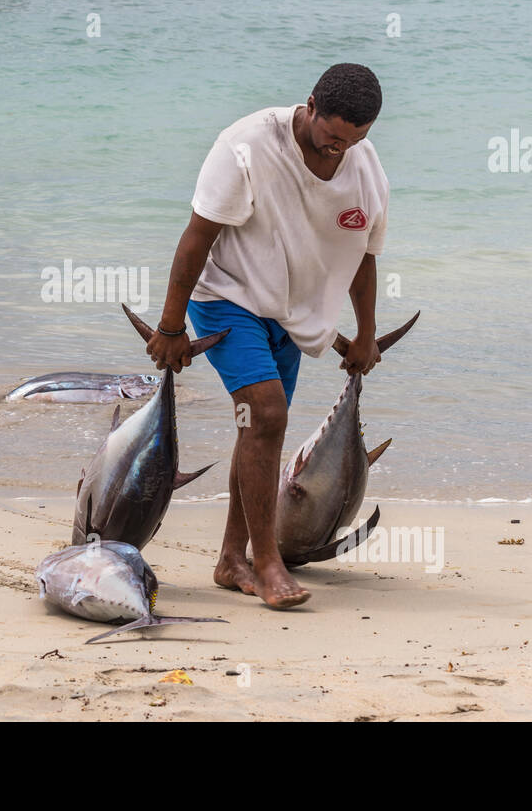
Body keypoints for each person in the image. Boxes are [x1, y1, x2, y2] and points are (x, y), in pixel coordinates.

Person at [146, 63, 388, 609]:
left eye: (353, 141)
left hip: (291, 314)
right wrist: (169, 325)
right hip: (226, 299)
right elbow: (197, 237)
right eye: (331, 137)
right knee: (267, 413)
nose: (337, 151)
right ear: (310, 106)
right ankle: (266, 561)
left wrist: (367, 334)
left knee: (257, 428)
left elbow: (366, 258)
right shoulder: (246, 145)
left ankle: (231, 560)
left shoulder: (365, 169)